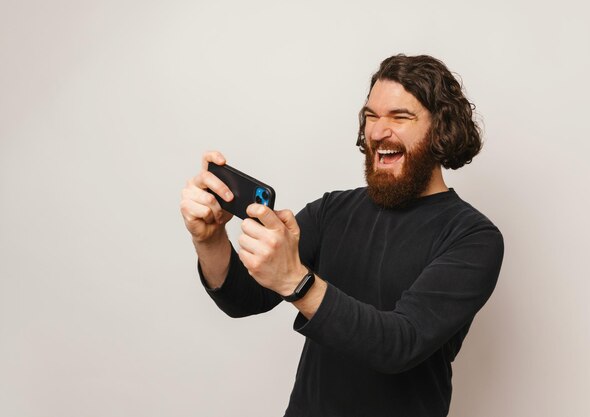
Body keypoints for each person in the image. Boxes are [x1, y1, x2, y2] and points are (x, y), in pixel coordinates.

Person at [180, 54, 504, 417]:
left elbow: (400, 343)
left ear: (440, 130)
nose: (378, 132)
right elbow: (244, 300)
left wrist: (296, 281)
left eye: (400, 117)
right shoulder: (332, 211)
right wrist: (209, 240)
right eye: (371, 116)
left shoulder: (472, 237)